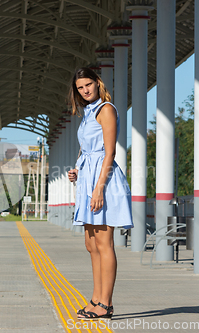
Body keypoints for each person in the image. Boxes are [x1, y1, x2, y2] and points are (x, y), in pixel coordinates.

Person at [67, 67, 133, 320]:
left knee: (104, 243)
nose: (85, 90)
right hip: (87, 179)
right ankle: (95, 299)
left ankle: (105, 304)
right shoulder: (86, 113)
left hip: (104, 183)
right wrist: (76, 171)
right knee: (91, 244)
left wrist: (99, 188)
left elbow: (109, 153)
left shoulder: (106, 109)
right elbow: (87, 151)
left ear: (97, 83)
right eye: (80, 87)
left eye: (88, 85)